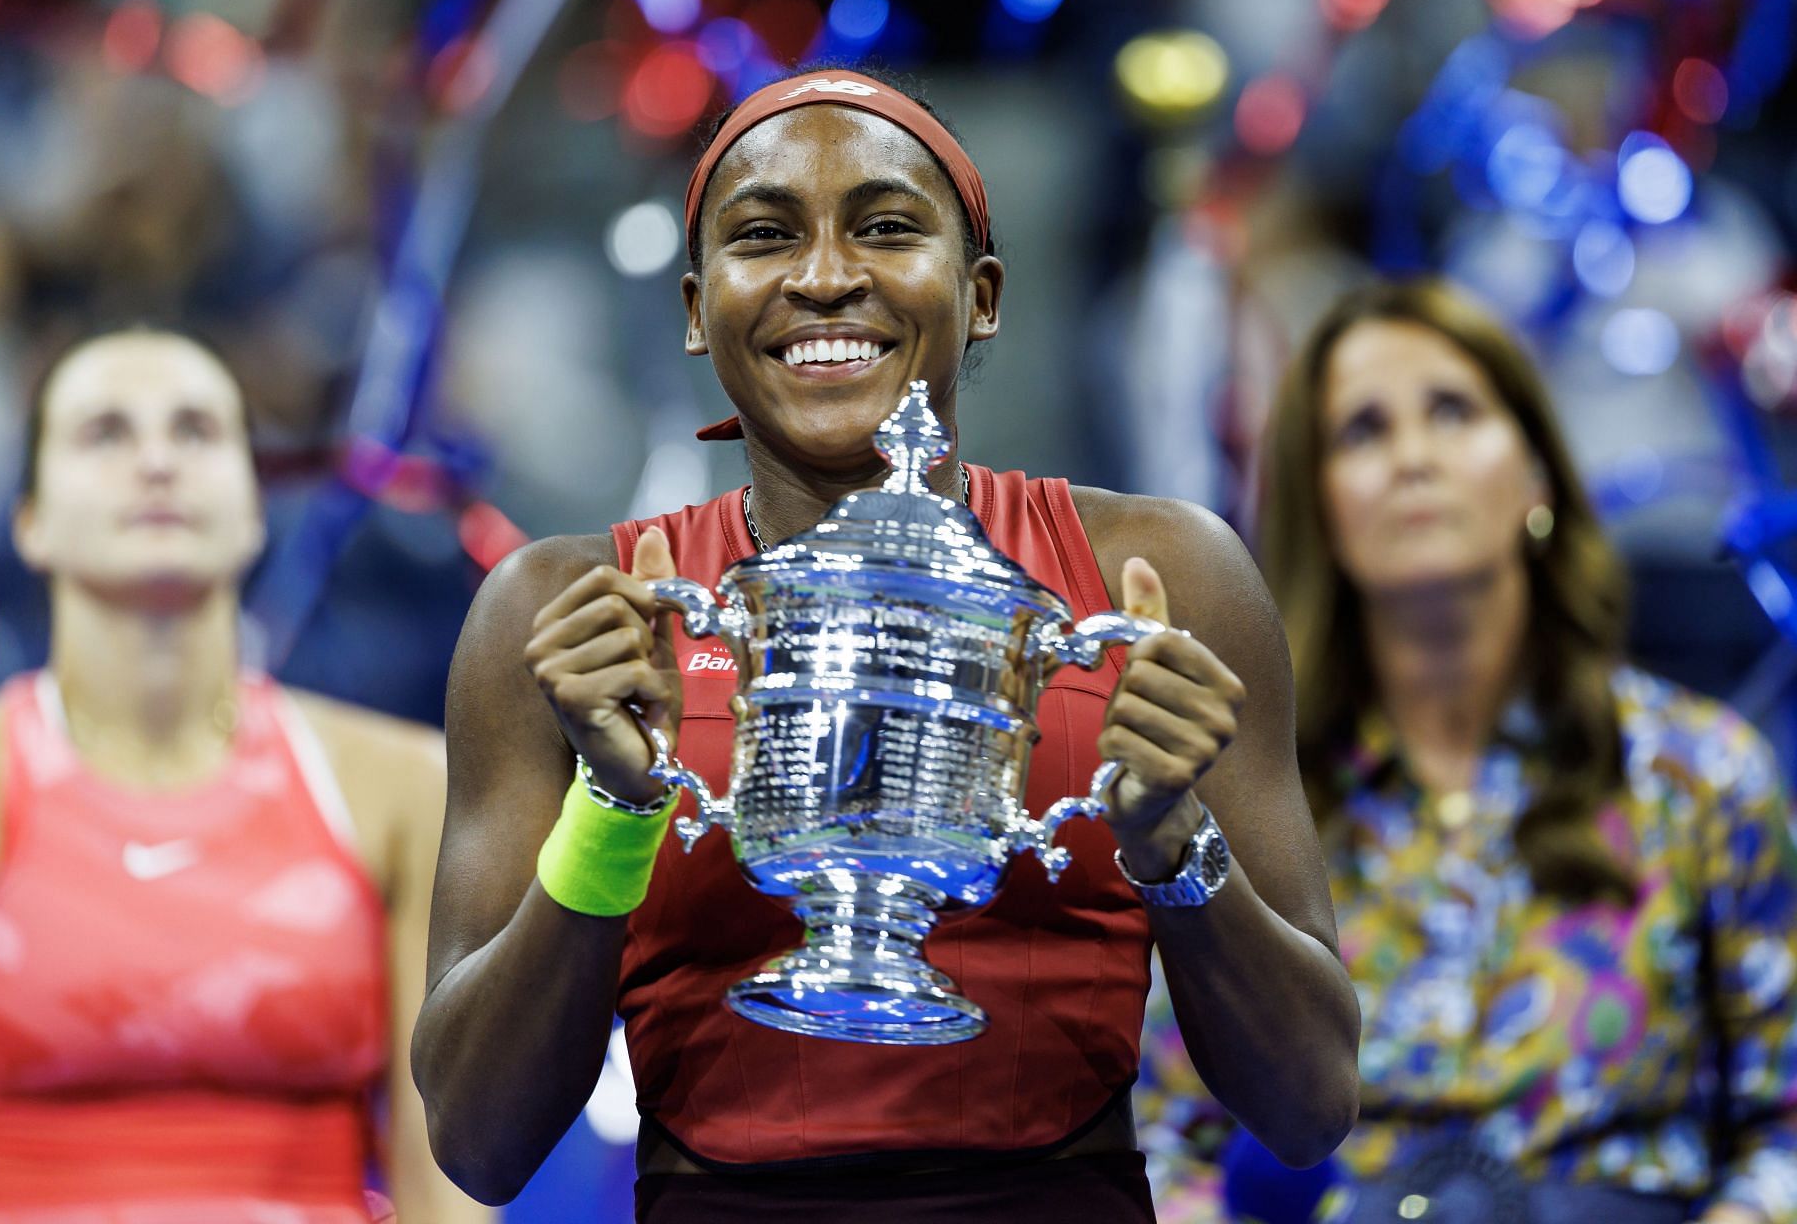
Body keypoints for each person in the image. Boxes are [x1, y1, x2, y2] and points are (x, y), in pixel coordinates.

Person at [413, 67, 1360, 1221]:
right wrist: (613, 807)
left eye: (888, 228)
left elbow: (1311, 1098)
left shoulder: (1157, 574)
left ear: (985, 293)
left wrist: (1174, 841)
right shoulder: (564, 609)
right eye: (765, 236)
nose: (824, 277)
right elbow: (477, 1138)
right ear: (695, 306)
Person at [1137, 279, 1797, 1224]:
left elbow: (1787, 1133)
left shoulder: (1703, 776)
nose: (1413, 457)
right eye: (1363, 431)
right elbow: (1168, 1145)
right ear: (1319, 508)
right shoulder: (1255, 802)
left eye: (1452, 411)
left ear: (1536, 474)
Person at [0, 331, 489, 1223]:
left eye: (196, 431)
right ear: (29, 522)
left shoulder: (402, 789)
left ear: (252, 508)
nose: (157, 461)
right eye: (106, 434)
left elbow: (450, 1188)